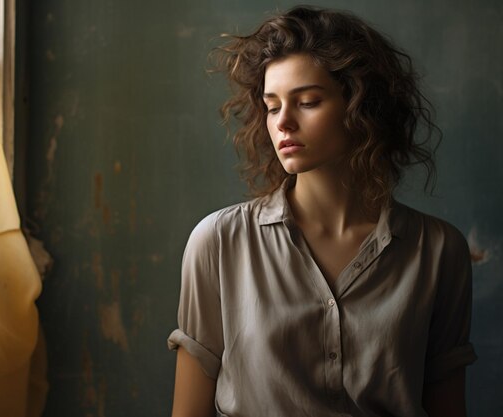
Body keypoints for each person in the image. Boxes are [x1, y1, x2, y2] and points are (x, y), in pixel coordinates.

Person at [168, 6, 477, 417]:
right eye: (272, 106)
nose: (284, 123)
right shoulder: (218, 242)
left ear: (360, 107)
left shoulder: (438, 251)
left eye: (308, 101)